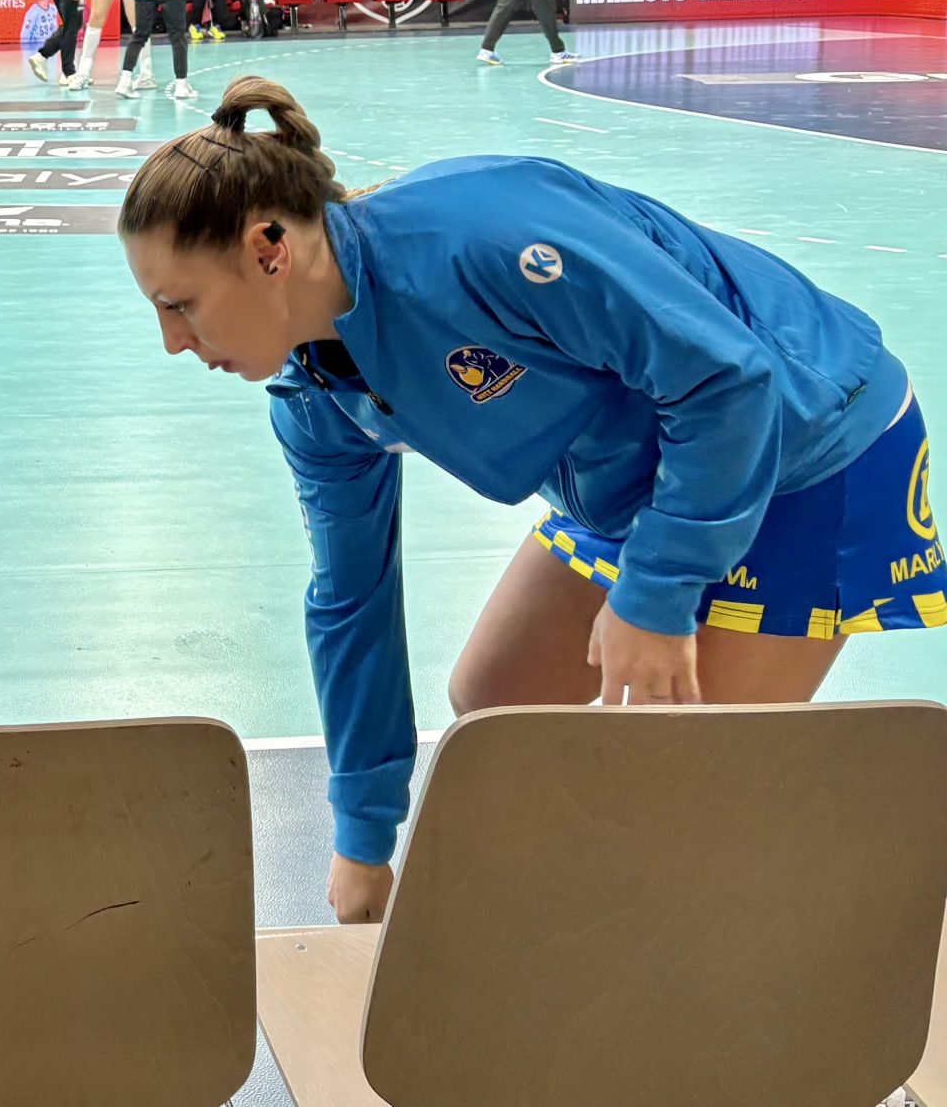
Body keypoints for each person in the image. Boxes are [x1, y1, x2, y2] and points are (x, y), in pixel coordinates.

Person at [117, 74, 932, 923]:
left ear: (268, 249)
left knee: (677, 792)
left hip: (811, 443)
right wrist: (362, 838)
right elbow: (352, 599)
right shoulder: (315, 399)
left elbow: (728, 382)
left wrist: (655, 595)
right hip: (648, 469)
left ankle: (799, 961)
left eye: (180, 305)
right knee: (495, 701)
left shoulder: (485, 240)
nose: (173, 341)